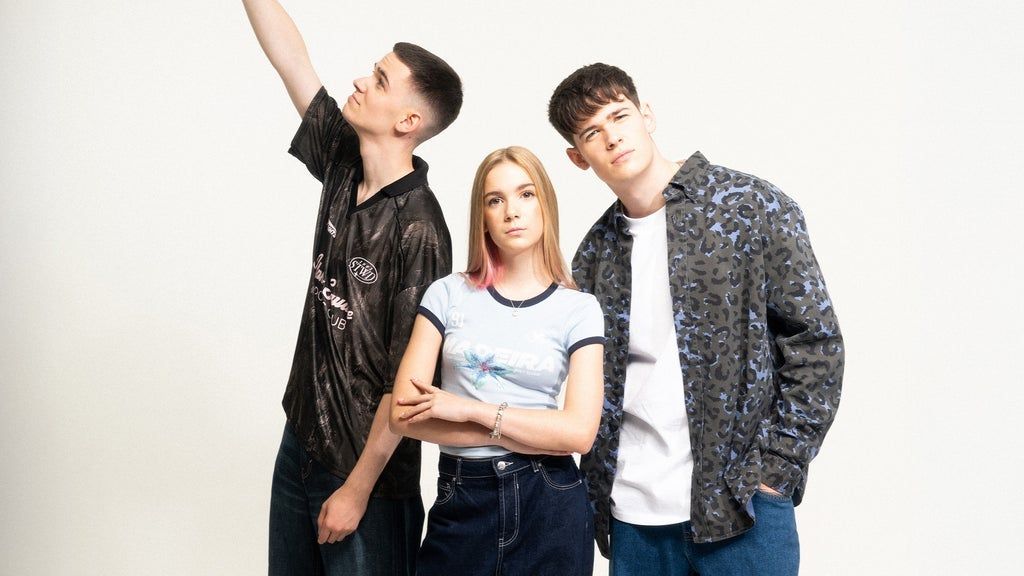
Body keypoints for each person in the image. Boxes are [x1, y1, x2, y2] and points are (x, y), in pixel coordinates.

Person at [547, 63, 845, 575]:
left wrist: (776, 472)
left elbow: (816, 344)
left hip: (742, 510)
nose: (612, 137)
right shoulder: (594, 254)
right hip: (633, 520)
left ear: (646, 115)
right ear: (578, 158)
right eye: (592, 133)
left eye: (619, 116)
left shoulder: (749, 206)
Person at [242, 1, 462, 574]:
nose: (362, 81)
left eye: (380, 79)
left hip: (367, 476)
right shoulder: (343, 161)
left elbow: (408, 384)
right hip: (301, 443)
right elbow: (292, 61)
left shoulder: (421, 230)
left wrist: (357, 490)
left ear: (408, 122)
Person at [387, 146, 605, 576]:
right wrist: (535, 434)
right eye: (495, 200)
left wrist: (470, 410)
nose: (512, 212)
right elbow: (403, 416)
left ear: (545, 204)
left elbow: (579, 434)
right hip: (463, 497)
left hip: (549, 500)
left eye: (526, 194)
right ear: (482, 216)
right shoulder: (447, 294)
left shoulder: (579, 309)